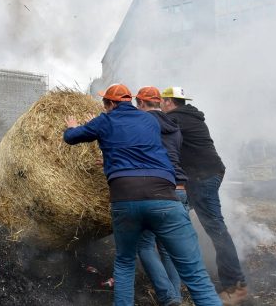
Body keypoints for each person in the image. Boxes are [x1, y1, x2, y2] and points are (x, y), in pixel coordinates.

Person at [63, 84, 221, 306]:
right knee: (195, 274)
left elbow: (71, 137)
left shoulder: (105, 120)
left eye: (104, 103)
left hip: (125, 199)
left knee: (125, 263)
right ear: (131, 101)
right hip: (165, 196)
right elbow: (141, 148)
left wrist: (75, 126)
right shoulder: (150, 120)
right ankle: (173, 297)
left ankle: (163, 297)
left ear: (109, 104)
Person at [161, 87, 247, 306]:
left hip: (202, 177)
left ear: (169, 102)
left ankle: (235, 286)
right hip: (205, 174)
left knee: (215, 228)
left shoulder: (175, 119)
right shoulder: (191, 116)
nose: (160, 105)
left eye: (162, 101)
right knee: (176, 217)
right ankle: (179, 275)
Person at [134, 87, 189, 306]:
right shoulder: (175, 127)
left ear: (141, 103)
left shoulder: (142, 124)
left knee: (145, 244)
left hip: (157, 189)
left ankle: (168, 296)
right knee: (167, 248)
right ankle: (174, 296)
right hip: (180, 189)